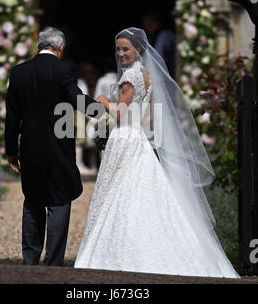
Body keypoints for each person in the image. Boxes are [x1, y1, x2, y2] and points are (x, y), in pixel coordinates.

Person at [74, 28, 240, 278]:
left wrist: (102, 102)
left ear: (138, 49)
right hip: (137, 138)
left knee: (120, 193)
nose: (121, 53)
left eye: (126, 49)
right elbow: (149, 116)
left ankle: (123, 252)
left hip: (125, 139)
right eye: (118, 49)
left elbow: (119, 112)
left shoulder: (131, 76)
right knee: (141, 191)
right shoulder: (147, 75)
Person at [5, 26, 104, 266]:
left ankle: (30, 259)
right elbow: (75, 99)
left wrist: (11, 151)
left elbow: (12, 116)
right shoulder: (64, 69)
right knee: (59, 199)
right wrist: (100, 109)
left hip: (29, 146)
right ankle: (53, 263)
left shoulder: (18, 72)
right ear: (61, 48)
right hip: (58, 145)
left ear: (39, 45)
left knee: (33, 199)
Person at [142, 9, 177, 80]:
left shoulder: (164, 35)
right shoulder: (153, 36)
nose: (145, 26)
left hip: (165, 76)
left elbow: (157, 57)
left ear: (152, 22)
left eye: (146, 22)